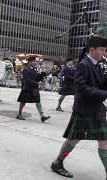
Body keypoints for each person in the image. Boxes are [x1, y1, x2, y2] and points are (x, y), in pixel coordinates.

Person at [50, 36, 107, 179]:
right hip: (84, 109)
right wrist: (103, 93)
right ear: (92, 50)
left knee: (104, 140)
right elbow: (81, 88)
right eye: (102, 50)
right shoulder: (84, 64)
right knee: (73, 139)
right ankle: (58, 163)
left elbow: (100, 84)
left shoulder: (97, 65)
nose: (104, 53)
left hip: (97, 109)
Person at [16, 55, 51, 122]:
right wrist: (37, 83)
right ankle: (19, 114)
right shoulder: (26, 69)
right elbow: (27, 80)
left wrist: (40, 70)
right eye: (34, 61)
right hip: (27, 88)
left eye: (35, 61)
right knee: (23, 101)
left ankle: (42, 116)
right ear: (30, 62)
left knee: (38, 101)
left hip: (34, 88)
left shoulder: (35, 69)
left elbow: (42, 75)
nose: (36, 62)